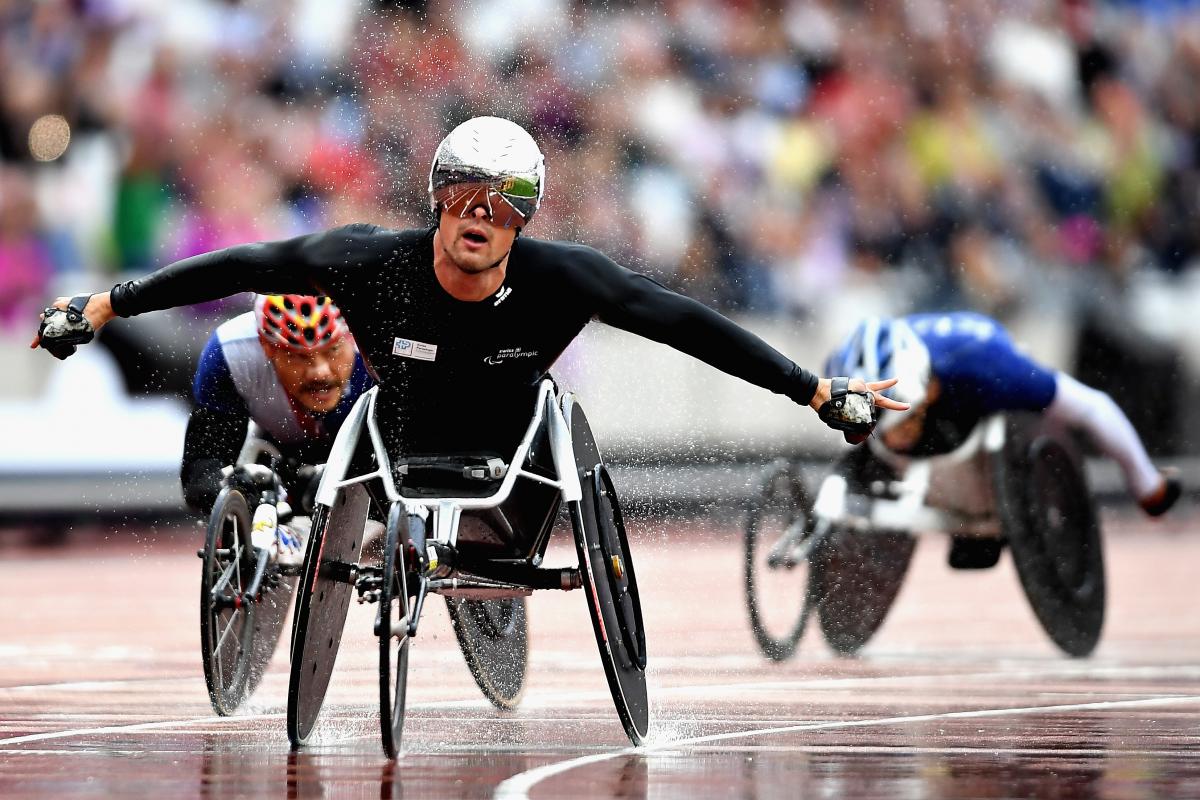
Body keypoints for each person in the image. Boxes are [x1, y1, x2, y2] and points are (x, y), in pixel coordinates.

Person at [32, 116, 904, 494]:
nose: (484, 214)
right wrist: (110, 304)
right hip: (388, 440)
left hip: (512, 449)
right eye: (467, 193)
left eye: (508, 200)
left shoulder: (570, 278)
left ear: (527, 214)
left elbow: (685, 323)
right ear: (440, 198)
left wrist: (812, 391)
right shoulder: (366, 261)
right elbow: (244, 263)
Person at [824, 313, 1182, 516]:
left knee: (1041, 413)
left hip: (975, 371)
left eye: (903, 422)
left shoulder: (987, 367)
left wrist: (1146, 486)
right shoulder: (845, 367)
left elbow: (1094, 407)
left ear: (928, 391)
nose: (896, 438)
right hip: (925, 363)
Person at [183, 293, 374, 563]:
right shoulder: (231, 352)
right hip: (283, 458)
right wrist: (236, 493)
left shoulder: (381, 345)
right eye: (299, 356)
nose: (320, 372)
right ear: (267, 347)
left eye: (331, 350)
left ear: (352, 337)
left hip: (367, 456)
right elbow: (199, 476)